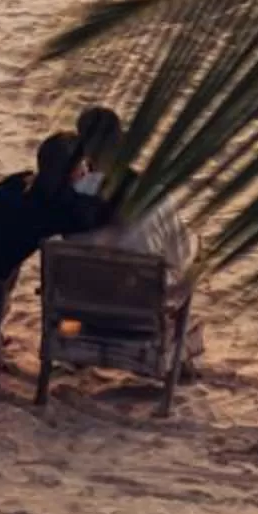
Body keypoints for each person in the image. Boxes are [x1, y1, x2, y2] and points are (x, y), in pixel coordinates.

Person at [69, 105, 201, 364]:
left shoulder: (72, 198)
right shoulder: (153, 194)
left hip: (83, 313)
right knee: (192, 258)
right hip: (140, 320)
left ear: (82, 149)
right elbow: (180, 257)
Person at [0, 130, 94, 302]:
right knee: (1, 275)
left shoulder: (16, 182)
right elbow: (89, 217)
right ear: (73, 171)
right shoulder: (58, 209)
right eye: (83, 165)